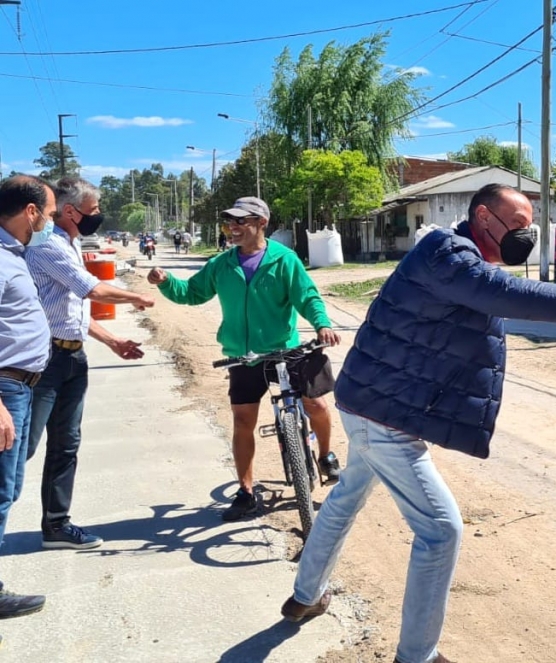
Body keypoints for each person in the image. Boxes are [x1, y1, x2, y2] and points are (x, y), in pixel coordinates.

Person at [280, 183, 556, 663]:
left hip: (377, 402)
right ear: (482, 216)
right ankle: (417, 655)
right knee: (440, 530)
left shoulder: (462, 259)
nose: (526, 235)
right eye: (516, 225)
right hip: (381, 414)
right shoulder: (448, 255)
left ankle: (306, 596)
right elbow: (512, 295)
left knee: (346, 497)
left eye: (529, 226)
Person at [147, 196, 343, 521]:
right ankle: (246, 492)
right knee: (242, 421)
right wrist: (167, 282)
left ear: (261, 223)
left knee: (317, 405)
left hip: (284, 349)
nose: (233, 228)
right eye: (230, 222)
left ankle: (325, 454)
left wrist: (322, 323)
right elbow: (192, 293)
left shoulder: (284, 259)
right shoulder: (221, 264)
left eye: (241, 221)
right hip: (243, 356)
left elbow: (306, 296)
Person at [25, 177, 154, 550]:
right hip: (44, 362)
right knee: (23, 446)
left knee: (66, 444)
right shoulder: (49, 245)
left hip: (72, 358)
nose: (97, 216)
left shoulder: (71, 241)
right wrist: (137, 297)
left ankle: (56, 525)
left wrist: (113, 341)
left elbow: (72, 310)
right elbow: (92, 290)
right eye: (94, 210)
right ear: (70, 211)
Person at [0, 176, 57, 621]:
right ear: (31, 212)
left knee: (9, 486)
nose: (50, 223)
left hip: (19, 385)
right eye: (50, 214)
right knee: (1, 490)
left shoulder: (14, 255)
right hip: (5, 388)